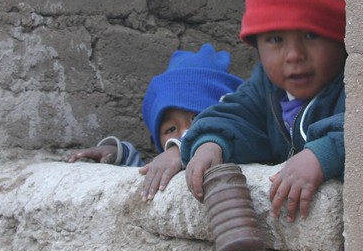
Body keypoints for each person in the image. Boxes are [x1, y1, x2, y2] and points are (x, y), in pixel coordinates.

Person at [180, 0, 346, 222]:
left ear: (343, 36)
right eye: (275, 40)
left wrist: (323, 155)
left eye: (311, 34)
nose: (294, 55)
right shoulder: (266, 88)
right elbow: (235, 116)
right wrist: (210, 143)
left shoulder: (357, 84)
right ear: (255, 43)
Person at [67, 43, 243, 199]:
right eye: (170, 129)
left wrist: (181, 150)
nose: (184, 134)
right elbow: (144, 170)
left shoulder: (237, 144)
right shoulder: (166, 163)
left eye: (197, 118)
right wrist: (118, 153)